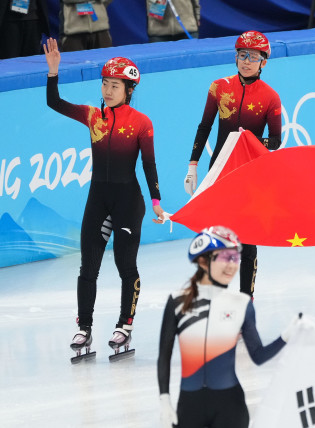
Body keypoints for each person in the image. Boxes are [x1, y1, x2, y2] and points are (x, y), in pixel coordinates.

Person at [44, 38, 167, 356]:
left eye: (115, 85)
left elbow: (149, 165)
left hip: (128, 202)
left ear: (129, 89)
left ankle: (125, 324)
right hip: (98, 200)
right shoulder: (91, 115)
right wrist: (53, 72)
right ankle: (84, 328)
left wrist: (156, 201)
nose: (108, 90)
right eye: (105, 84)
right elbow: (55, 103)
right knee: (88, 267)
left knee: (126, 265)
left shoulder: (142, 123)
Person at [157, 226, 299, 428]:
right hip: (189, 408)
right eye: (226, 257)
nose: (232, 265)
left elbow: (258, 356)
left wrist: (287, 335)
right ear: (204, 261)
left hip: (231, 408)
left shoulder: (242, 304)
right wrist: (164, 399)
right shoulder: (177, 302)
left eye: (235, 258)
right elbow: (164, 355)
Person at [184, 31, 282, 298]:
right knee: (217, 239)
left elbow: (275, 141)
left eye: (253, 56)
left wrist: (248, 139)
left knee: (247, 242)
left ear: (264, 62)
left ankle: (245, 300)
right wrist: (193, 165)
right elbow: (204, 126)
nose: (246, 61)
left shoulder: (270, 97)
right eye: (242, 55)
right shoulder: (219, 87)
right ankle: (216, 296)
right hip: (220, 171)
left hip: (251, 174)